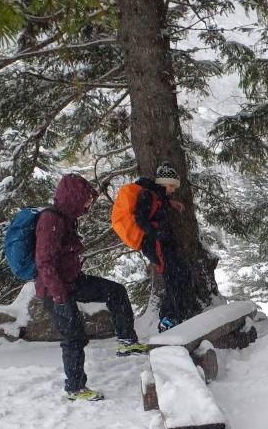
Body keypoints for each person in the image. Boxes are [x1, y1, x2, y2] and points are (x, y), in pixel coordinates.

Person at [35, 173, 149, 402]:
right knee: (74, 336)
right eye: (86, 199)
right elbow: (44, 262)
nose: (88, 204)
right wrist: (60, 299)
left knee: (116, 292)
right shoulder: (51, 220)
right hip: (55, 290)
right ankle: (75, 388)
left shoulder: (66, 218)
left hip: (72, 282)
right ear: (73, 197)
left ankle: (127, 341)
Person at [131, 163, 190, 333]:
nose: (173, 190)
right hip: (155, 244)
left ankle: (172, 315)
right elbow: (140, 219)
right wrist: (156, 233)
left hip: (161, 243)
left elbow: (158, 204)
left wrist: (171, 203)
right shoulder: (147, 194)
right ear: (163, 182)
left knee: (181, 272)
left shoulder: (157, 194)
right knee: (173, 276)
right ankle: (169, 319)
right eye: (171, 185)